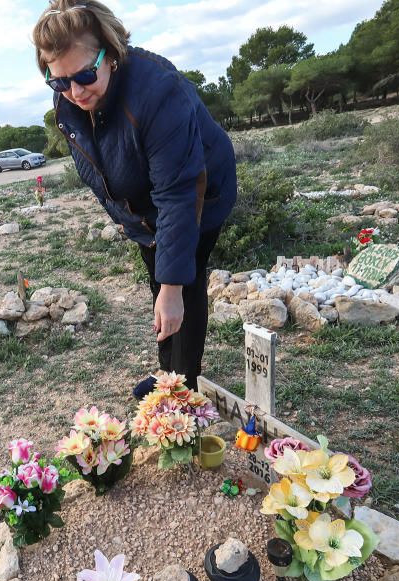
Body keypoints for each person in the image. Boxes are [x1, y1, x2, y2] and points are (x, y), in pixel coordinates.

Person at [33, 0, 237, 395]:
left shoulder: (159, 92)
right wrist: (140, 232)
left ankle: (182, 389)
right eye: (58, 81)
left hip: (200, 192)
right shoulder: (71, 99)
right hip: (145, 205)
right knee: (157, 278)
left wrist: (172, 287)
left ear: (111, 54)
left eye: (84, 74)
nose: (73, 91)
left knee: (183, 283)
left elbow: (178, 194)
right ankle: (167, 375)